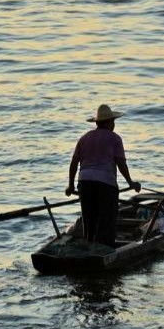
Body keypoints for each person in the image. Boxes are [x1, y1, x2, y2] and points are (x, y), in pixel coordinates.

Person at [65, 104, 141, 247]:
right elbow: (121, 163)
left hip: (85, 182)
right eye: (113, 122)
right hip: (106, 184)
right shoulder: (115, 138)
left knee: (89, 220)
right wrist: (131, 183)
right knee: (107, 221)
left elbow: (74, 163)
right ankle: (103, 252)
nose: (114, 125)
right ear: (109, 123)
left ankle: (89, 248)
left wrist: (70, 186)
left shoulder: (84, 138)